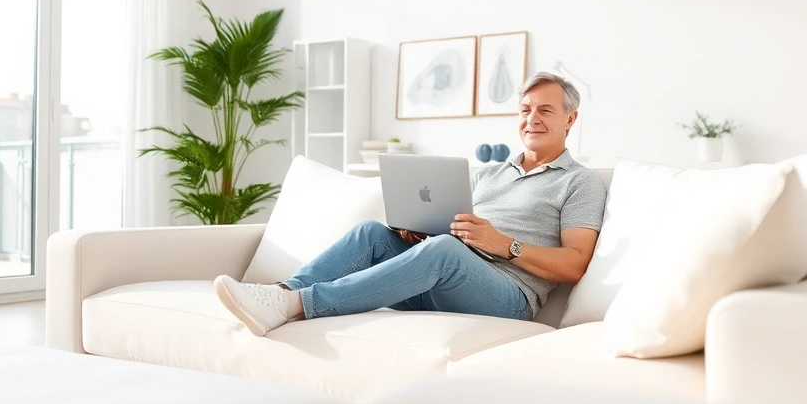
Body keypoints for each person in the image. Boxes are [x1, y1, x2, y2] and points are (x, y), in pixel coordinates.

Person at [214, 71, 608, 335]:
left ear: (570, 119)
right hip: (443, 276)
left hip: (507, 296)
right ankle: (282, 292)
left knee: (444, 250)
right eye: (525, 110)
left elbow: (575, 264)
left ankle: (298, 304)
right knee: (373, 233)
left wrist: (505, 244)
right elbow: (451, 235)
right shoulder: (487, 173)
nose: (531, 119)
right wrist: (421, 231)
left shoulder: (579, 182)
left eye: (545, 110)